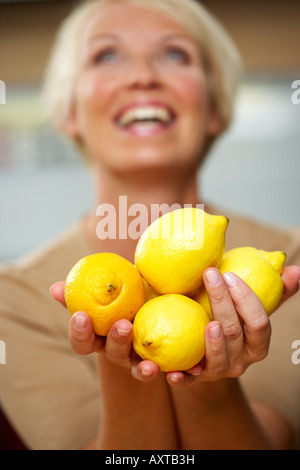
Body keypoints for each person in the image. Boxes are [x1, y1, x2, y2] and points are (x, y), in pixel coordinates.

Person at [0, 0, 299, 450]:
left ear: (216, 106)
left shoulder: (289, 266)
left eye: (175, 54)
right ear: (69, 112)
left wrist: (208, 373)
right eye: (106, 55)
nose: (142, 76)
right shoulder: (12, 298)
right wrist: (122, 367)